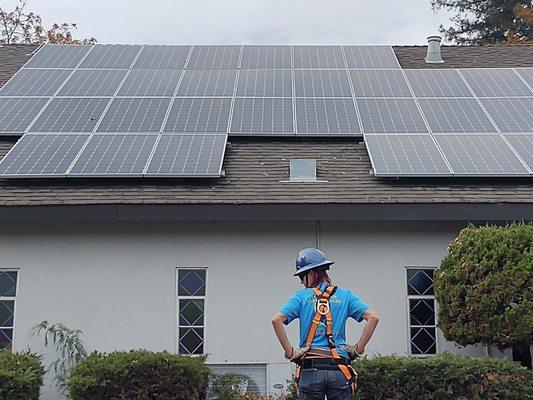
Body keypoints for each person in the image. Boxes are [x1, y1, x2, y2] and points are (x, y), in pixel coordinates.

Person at [272, 248, 380, 400]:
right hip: (339, 369)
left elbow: (277, 320)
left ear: (311, 273)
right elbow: (373, 317)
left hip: (311, 370)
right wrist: (357, 349)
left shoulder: (301, 297)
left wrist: (290, 352)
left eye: (302, 277)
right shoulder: (346, 295)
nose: (301, 282)